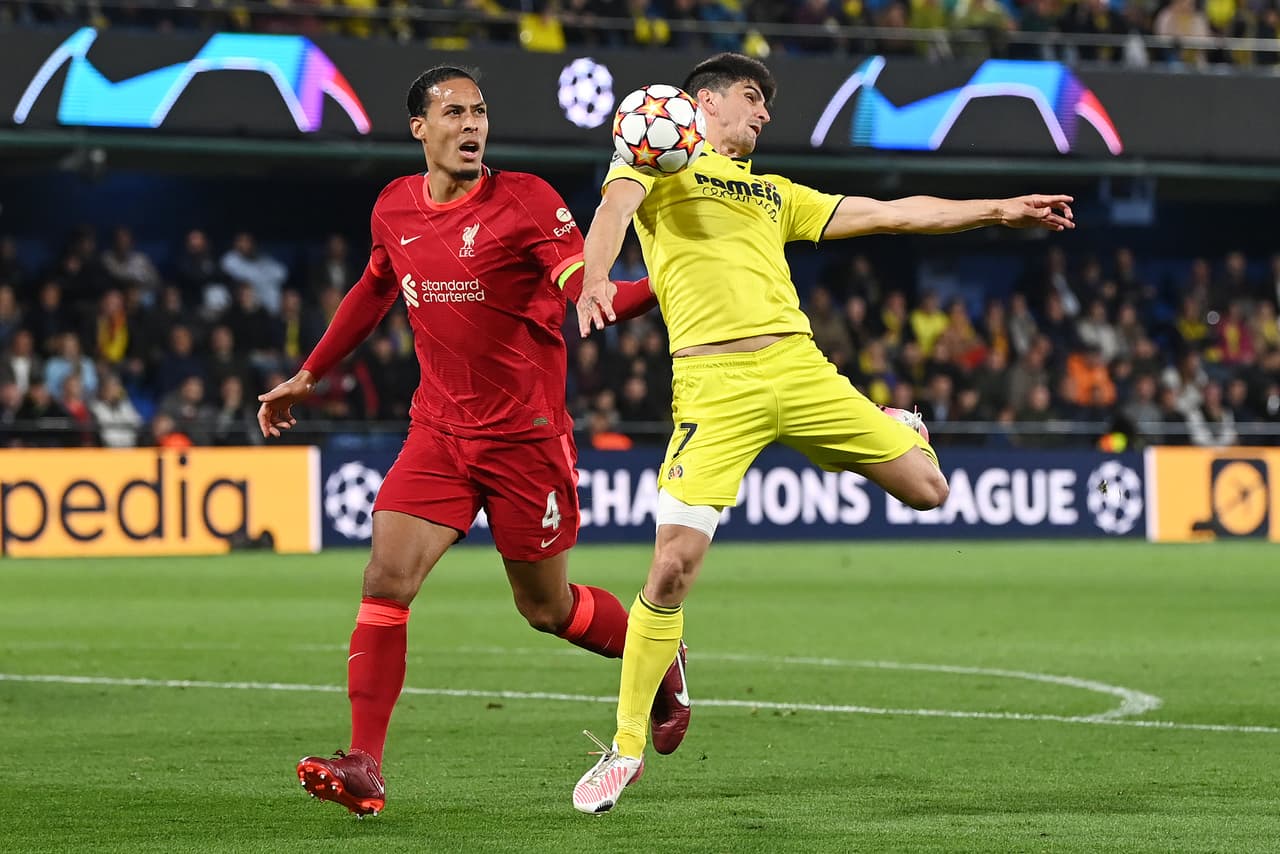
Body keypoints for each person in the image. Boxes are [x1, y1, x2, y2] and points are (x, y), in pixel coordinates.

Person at [570, 52, 1076, 814]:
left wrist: (999, 209)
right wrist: (596, 274)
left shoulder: (775, 195)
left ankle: (901, 426)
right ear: (703, 103)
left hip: (799, 370)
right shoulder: (659, 153)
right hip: (714, 387)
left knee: (929, 489)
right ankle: (628, 749)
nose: (764, 113)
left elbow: (891, 210)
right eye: (752, 97)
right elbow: (612, 212)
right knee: (671, 568)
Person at [256, 65, 686, 819]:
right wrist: (308, 374)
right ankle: (365, 765)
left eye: (480, 111)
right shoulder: (394, 206)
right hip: (439, 435)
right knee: (385, 581)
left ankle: (661, 663)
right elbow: (374, 288)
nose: (471, 125)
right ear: (419, 127)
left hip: (526, 441)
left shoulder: (527, 202)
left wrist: (673, 283)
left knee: (546, 610)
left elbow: (589, 292)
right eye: (453, 112)